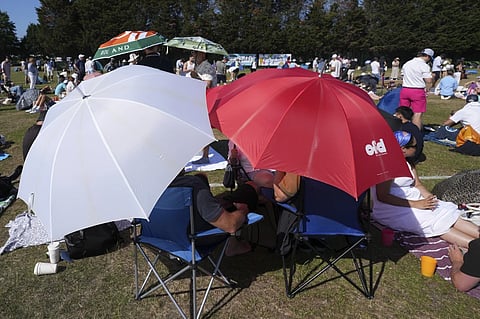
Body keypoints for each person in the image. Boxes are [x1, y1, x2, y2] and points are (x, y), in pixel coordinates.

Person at [371, 131, 479, 249]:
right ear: (403, 149)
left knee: (447, 212)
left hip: (411, 199)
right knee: (437, 223)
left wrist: (430, 198)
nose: (417, 149)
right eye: (414, 146)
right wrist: (417, 204)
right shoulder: (387, 166)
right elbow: (382, 196)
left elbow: (417, 185)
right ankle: (475, 246)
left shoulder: (408, 163)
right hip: (391, 208)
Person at [171, 171, 258, 256]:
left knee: (201, 177)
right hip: (197, 236)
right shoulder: (192, 186)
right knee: (251, 187)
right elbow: (231, 225)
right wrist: (242, 210)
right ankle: (233, 245)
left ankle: (212, 202)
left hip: (170, 237)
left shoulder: (159, 186)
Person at [399, 48, 434, 130]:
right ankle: (416, 134)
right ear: (427, 56)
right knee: (417, 114)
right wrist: (432, 78)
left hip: (405, 89)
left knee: (402, 112)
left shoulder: (407, 63)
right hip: (417, 90)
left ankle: (400, 129)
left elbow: (402, 76)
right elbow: (428, 80)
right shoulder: (424, 66)